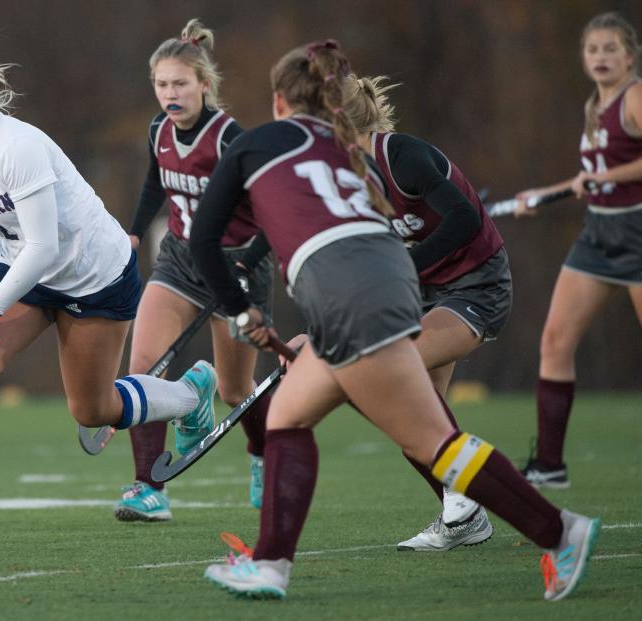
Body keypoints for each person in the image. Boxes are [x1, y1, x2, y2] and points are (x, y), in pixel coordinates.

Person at [189, 39, 599, 602]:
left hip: (359, 295)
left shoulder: (253, 143)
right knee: (288, 415)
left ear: (280, 101)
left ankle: (562, 533)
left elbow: (203, 240)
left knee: (432, 439)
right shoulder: (350, 150)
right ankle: (271, 564)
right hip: (388, 285)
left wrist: (242, 313)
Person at [0, 22, 219, 551]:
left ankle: (189, 395)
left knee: (93, 410)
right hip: (24, 272)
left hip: (94, 274)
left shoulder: (16, 146)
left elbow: (44, 246)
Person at [113, 19, 275, 523]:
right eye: (161, 85)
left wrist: (250, 261)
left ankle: (262, 454)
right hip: (180, 260)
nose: (170, 94)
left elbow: (275, 212)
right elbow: (153, 184)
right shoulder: (158, 130)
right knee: (145, 368)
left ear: (204, 84)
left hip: (236, 267)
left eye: (180, 83)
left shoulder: (232, 140)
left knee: (234, 389)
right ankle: (148, 487)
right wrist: (135, 232)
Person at [341, 74, 511, 551]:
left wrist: (404, 267)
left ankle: (479, 509)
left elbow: (463, 218)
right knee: (412, 419)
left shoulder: (401, 157)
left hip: (476, 283)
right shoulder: (344, 177)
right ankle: (463, 515)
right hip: (421, 291)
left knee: (398, 377)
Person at [513, 12, 642, 489]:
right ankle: (550, 463)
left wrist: (603, 178)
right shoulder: (595, 106)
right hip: (597, 235)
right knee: (555, 342)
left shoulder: (635, 96)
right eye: (593, 50)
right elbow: (588, 180)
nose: (601, 57)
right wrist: (543, 194)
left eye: (611, 49)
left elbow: (607, 174)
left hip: (636, 233)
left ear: (630, 55)